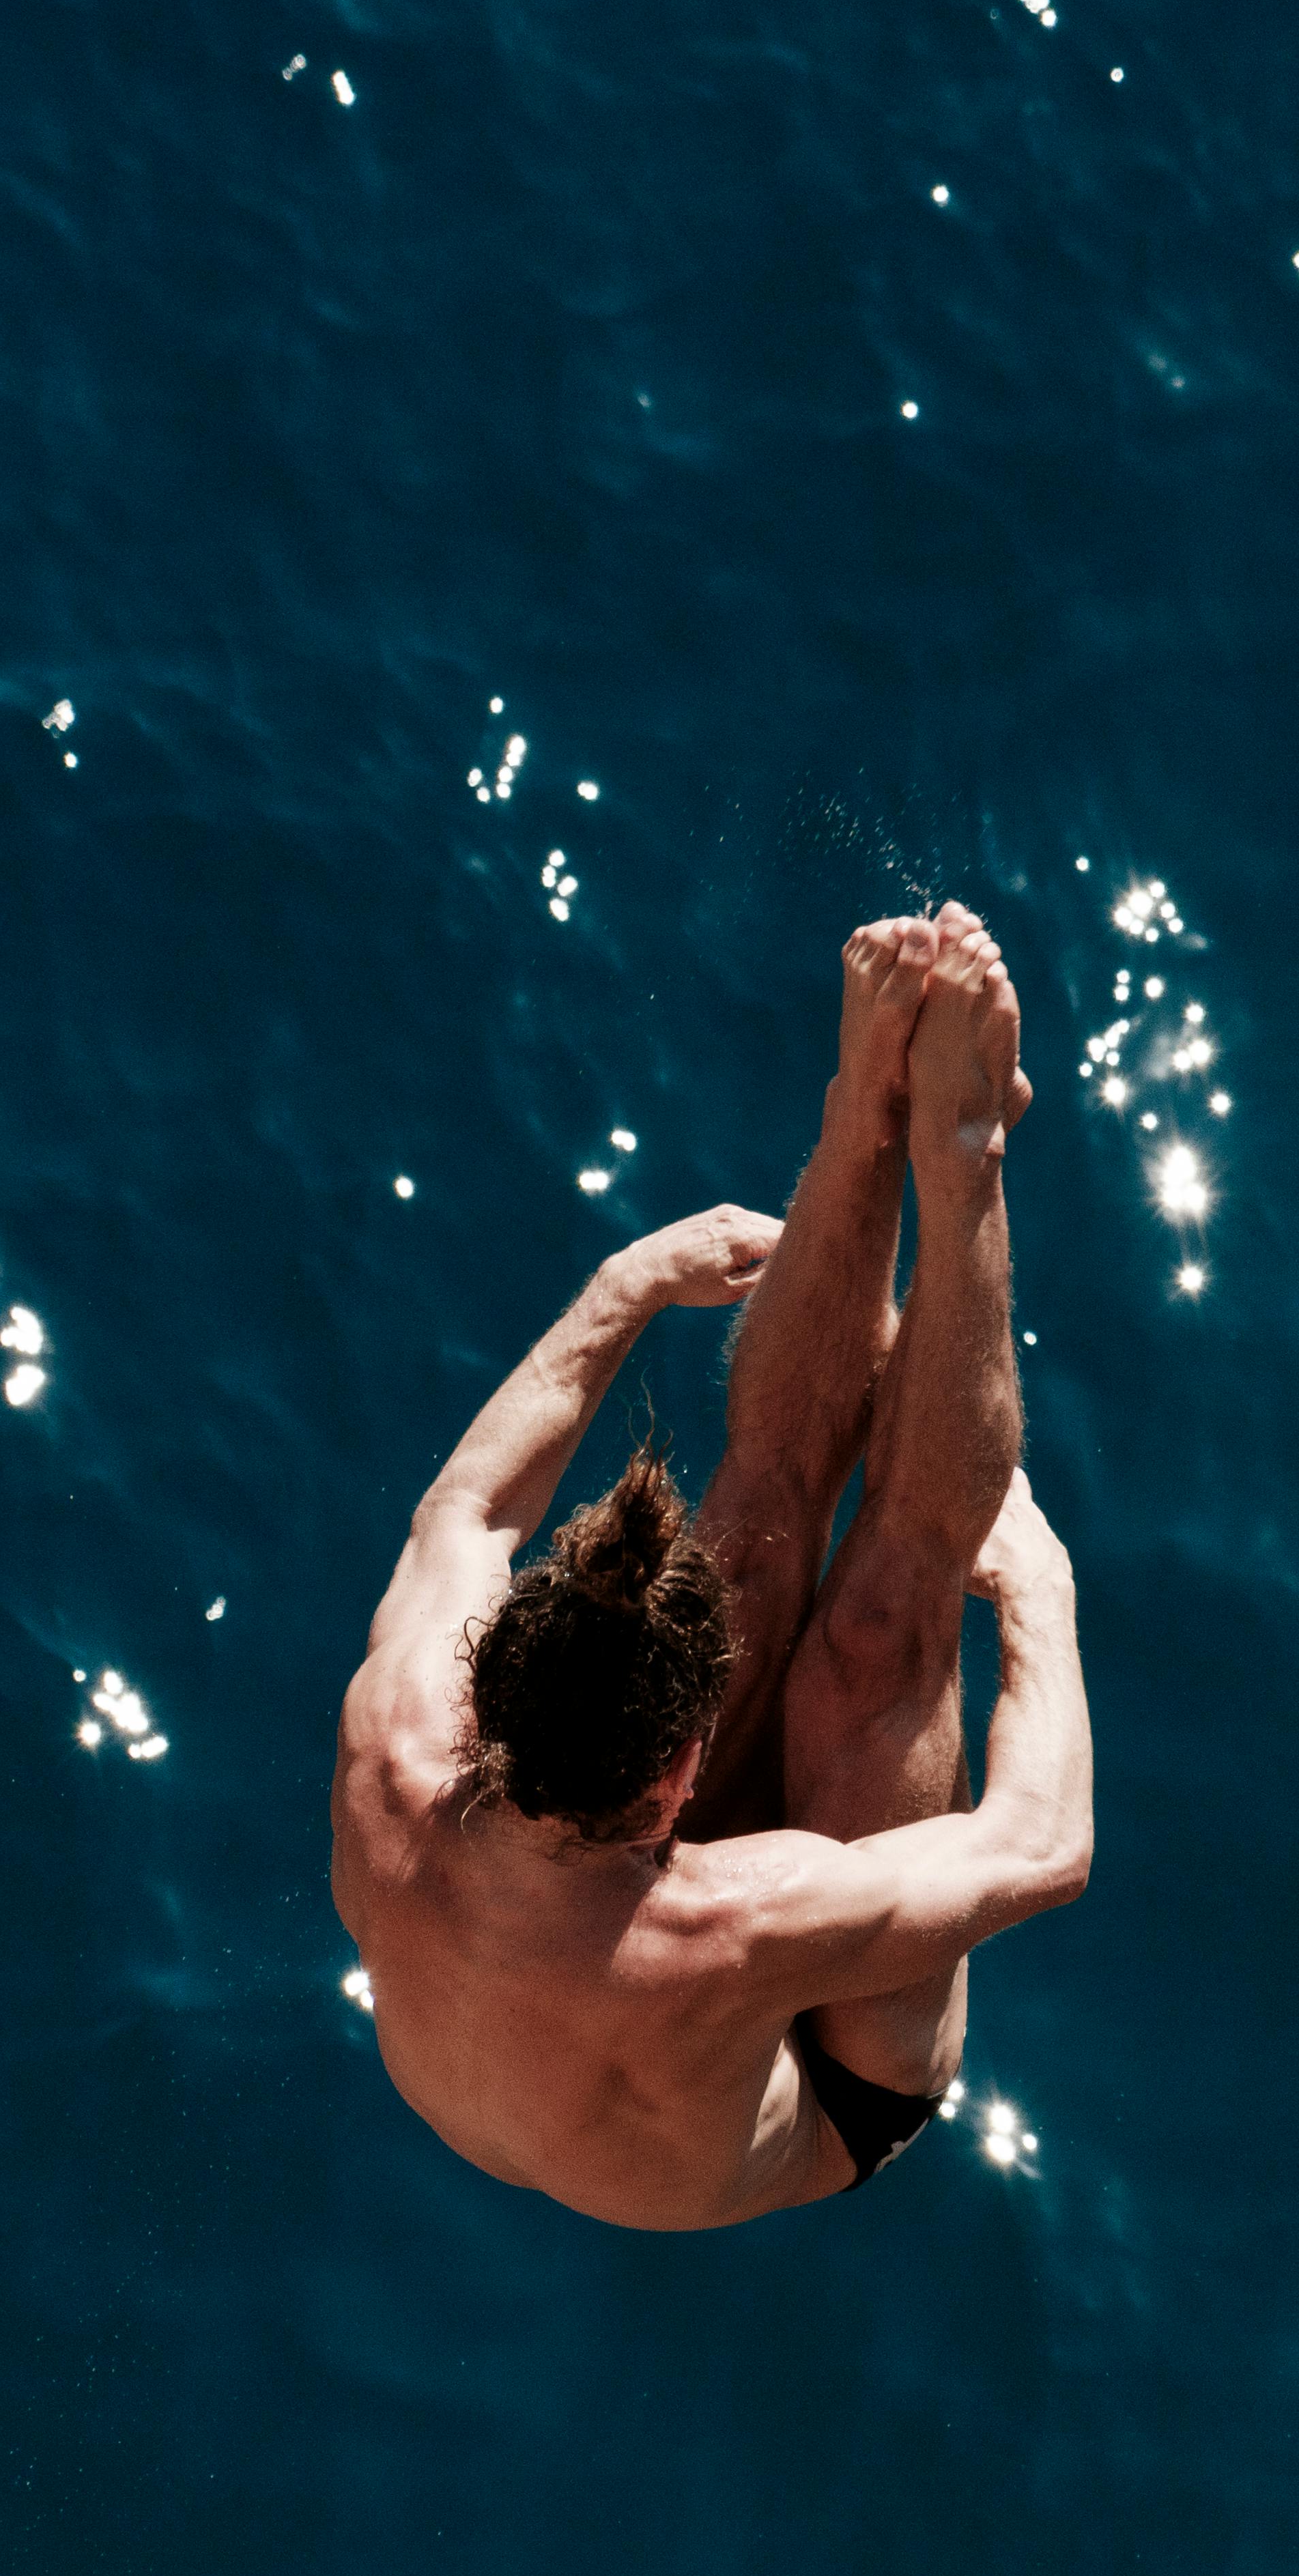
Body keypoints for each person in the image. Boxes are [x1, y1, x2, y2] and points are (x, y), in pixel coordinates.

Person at [329, 904, 1094, 2230]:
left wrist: (630, 1285)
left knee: (750, 1533)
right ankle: (961, 1154)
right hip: (824, 2099)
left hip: (587, 2032)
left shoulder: (403, 1742)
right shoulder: (732, 1918)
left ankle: (865, 1106)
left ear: (491, 1678)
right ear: (682, 1783)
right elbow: (1040, 1848)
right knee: (879, 1637)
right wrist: (1038, 1601)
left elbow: (464, 1513)